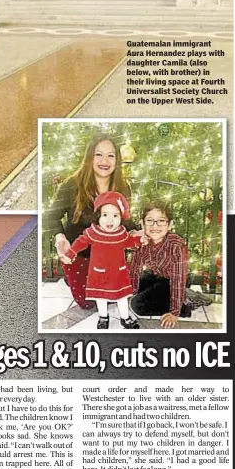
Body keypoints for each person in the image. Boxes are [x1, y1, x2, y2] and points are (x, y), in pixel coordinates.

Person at [45, 135, 133, 309]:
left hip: (111, 256)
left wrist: (137, 232)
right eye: (99, 154)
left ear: (117, 160)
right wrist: (60, 238)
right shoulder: (71, 185)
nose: (105, 161)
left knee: (115, 296)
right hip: (81, 255)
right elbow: (50, 216)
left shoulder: (123, 187)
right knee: (89, 303)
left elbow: (126, 222)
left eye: (111, 155)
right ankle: (73, 278)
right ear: (90, 157)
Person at [62, 192, 144, 329]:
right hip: (99, 273)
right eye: (105, 215)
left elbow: (129, 242)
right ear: (97, 216)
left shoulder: (121, 233)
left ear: (121, 218)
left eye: (115, 215)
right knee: (101, 297)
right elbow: (80, 242)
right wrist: (71, 253)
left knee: (122, 297)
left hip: (118, 273)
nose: (110, 220)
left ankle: (125, 317)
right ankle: (103, 317)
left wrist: (139, 240)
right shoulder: (93, 233)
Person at [129, 201, 192, 329]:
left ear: (170, 224)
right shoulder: (142, 241)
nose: (155, 226)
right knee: (142, 282)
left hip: (174, 280)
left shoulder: (176, 245)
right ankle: (178, 296)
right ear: (142, 224)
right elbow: (134, 270)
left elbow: (177, 279)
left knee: (137, 306)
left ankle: (184, 305)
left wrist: (174, 312)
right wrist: (130, 293)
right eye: (150, 221)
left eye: (161, 221)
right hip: (158, 276)